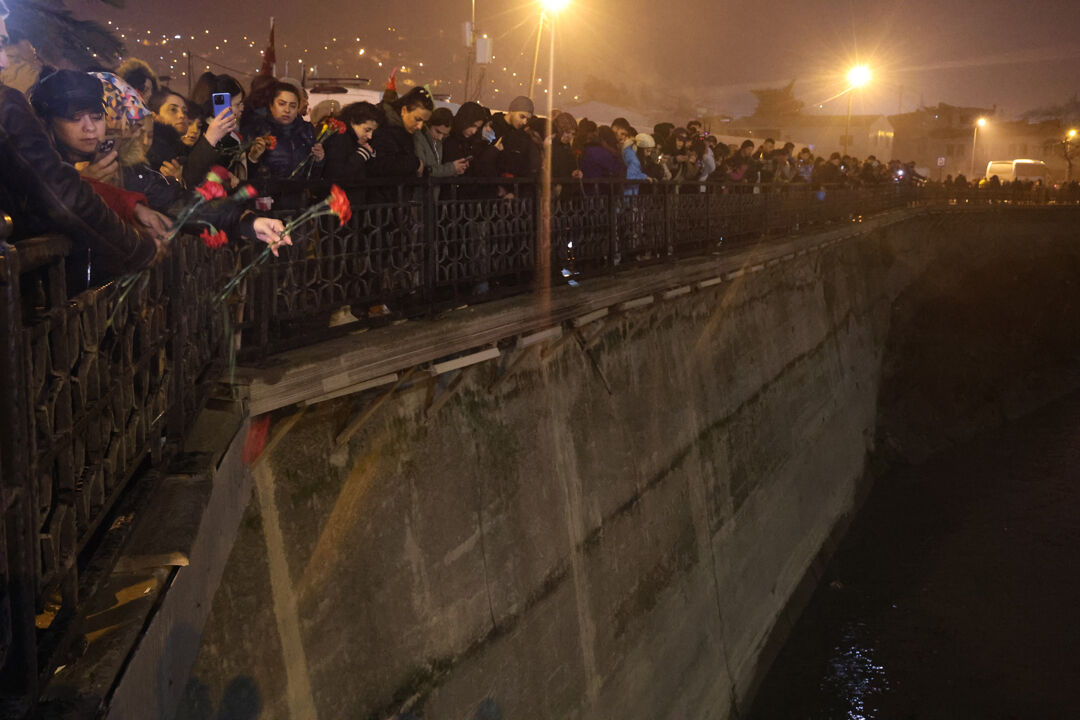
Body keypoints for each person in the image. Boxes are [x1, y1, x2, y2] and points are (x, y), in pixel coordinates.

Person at [7, 63, 160, 290]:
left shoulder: (111, 159)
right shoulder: (33, 167)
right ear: (46, 121)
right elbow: (65, 198)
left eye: (97, 117)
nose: (89, 128)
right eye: (75, 118)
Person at [245, 81, 324, 181]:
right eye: (282, 104)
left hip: (298, 193)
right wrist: (253, 158)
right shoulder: (258, 130)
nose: (287, 110)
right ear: (271, 105)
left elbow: (313, 176)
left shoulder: (306, 130)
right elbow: (249, 175)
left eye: (293, 106)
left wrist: (319, 160)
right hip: (268, 194)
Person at [369, 86, 434, 182]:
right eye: (418, 119)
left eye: (424, 122)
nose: (420, 126)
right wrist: (415, 163)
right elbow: (381, 164)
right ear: (404, 110)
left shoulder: (409, 131)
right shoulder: (383, 127)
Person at [322, 100, 382, 183]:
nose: (370, 136)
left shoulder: (353, 138)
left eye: (372, 131)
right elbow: (336, 174)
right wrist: (362, 154)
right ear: (353, 121)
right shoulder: (340, 138)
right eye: (367, 130)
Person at [491, 95, 538, 180]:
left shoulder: (523, 136)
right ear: (512, 111)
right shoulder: (492, 128)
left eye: (527, 119)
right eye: (522, 116)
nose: (524, 122)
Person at [413, 106, 468, 178]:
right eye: (438, 131)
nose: (440, 137)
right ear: (429, 124)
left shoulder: (438, 142)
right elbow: (423, 171)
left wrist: (456, 170)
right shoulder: (419, 137)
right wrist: (452, 168)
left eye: (444, 134)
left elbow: (435, 169)